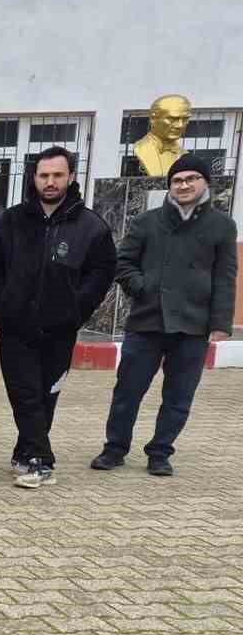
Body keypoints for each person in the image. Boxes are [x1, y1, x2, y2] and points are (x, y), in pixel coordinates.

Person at [0, 146, 116, 488]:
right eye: (43, 175)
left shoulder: (90, 226)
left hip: (59, 331)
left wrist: (76, 310)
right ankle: (41, 459)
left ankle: (26, 451)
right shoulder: (10, 221)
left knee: (45, 394)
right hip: (16, 328)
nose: (50, 182)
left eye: (57, 175)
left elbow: (101, 274)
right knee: (23, 393)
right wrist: (0, 304)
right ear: (33, 178)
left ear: (70, 177)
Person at [91, 154, 237, 477]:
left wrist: (220, 323)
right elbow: (123, 262)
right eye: (177, 180)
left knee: (179, 395)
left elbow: (225, 277)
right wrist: (143, 287)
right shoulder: (147, 222)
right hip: (147, 321)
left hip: (193, 325)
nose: (184, 185)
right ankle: (114, 448)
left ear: (204, 184)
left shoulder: (222, 226)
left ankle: (160, 451)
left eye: (191, 179)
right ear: (170, 186)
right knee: (128, 390)